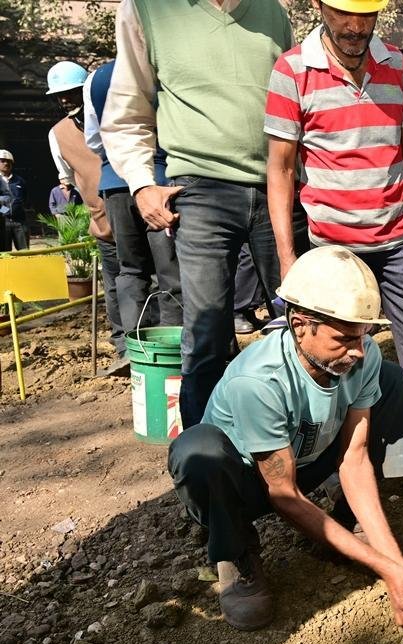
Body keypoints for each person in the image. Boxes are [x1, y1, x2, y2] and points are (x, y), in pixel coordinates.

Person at [168, 246, 403, 632]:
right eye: (344, 338)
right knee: (198, 449)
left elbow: (355, 458)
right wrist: (386, 569)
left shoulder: (361, 355)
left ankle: (351, 529)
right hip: (245, 484)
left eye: (364, 335)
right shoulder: (259, 381)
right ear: (300, 325)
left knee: (391, 379)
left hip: (307, 458)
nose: (358, 351)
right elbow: (283, 495)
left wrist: (388, 557)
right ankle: (237, 554)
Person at [264, 0, 403, 485]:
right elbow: (282, 168)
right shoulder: (292, 70)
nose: (354, 27)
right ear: (320, 8)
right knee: (332, 349)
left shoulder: (397, 67)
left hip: (394, 238)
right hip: (330, 247)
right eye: (344, 15)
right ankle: (330, 452)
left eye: (365, 17)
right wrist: (288, 257)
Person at [101, 0, 306, 427]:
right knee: (208, 333)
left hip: (279, 187)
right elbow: (126, 114)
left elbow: (297, 101)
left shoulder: (273, 12)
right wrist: (141, 184)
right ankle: (202, 462)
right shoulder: (146, 10)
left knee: (302, 322)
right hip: (201, 190)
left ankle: (298, 446)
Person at [85, 59, 183, 336]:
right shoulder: (157, 69)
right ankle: (172, 344)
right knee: (169, 269)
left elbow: (93, 139)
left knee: (130, 269)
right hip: (158, 177)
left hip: (115, 183)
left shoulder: (96, 78)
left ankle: (135, 343)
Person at [46, 61, 125, 359]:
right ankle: (121, 341)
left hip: (139, 213)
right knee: (115, 285)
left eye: (71, 92)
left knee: (150, 277)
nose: (65, 99)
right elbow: (70, 177)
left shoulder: (116, 117)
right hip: (103, 220)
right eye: (59, 95)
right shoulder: (58, 135)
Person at [0, 149, 29, 251]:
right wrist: (4, 211)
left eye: (8, 161)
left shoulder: (20, 181)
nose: (6, 163)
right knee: (4, 253)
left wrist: (18, 209)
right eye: (2, 161)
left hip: (19, 222)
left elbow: (24, 199)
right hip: (3, 223)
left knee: (24, 251)